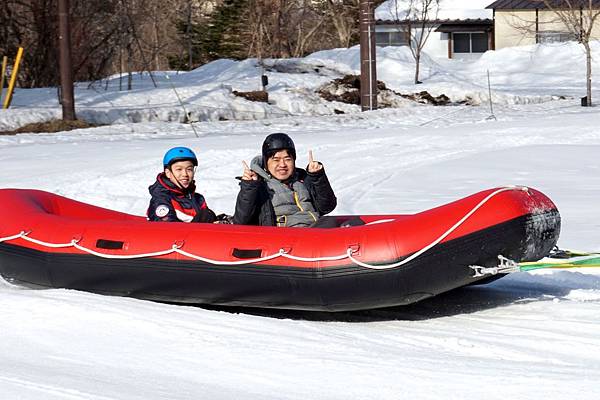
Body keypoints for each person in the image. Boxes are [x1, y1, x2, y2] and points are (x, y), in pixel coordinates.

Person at [233, 133, 337, 227]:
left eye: (287, 159)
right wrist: (249, 187)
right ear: (266, 163)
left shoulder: (302, 179)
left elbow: (327, 207)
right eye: (276, 160)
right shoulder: (259, 185)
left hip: (314, 231)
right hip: (282, 239)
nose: (282, 165)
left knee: (338, 223)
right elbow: (241, 221)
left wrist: (317, 177)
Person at [148, 146, 217, 223]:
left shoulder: (198, 199)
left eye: (189, 169)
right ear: (168, 173)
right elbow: (167, 229)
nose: (185, 174)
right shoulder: (162, 199)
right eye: (179, 169)